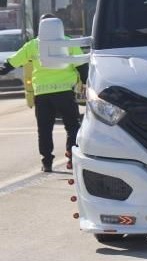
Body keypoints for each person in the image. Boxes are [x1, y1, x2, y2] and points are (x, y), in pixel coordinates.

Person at [0, 14, 86, 172]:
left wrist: (3, 70)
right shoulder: (68, 42)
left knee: (44, 129)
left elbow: (11, 63)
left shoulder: (33, 45)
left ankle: (47, 162)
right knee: (72, 126)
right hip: (65, 92)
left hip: (42, 94)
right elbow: (81, 65)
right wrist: (86, 83)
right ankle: (71, 155)